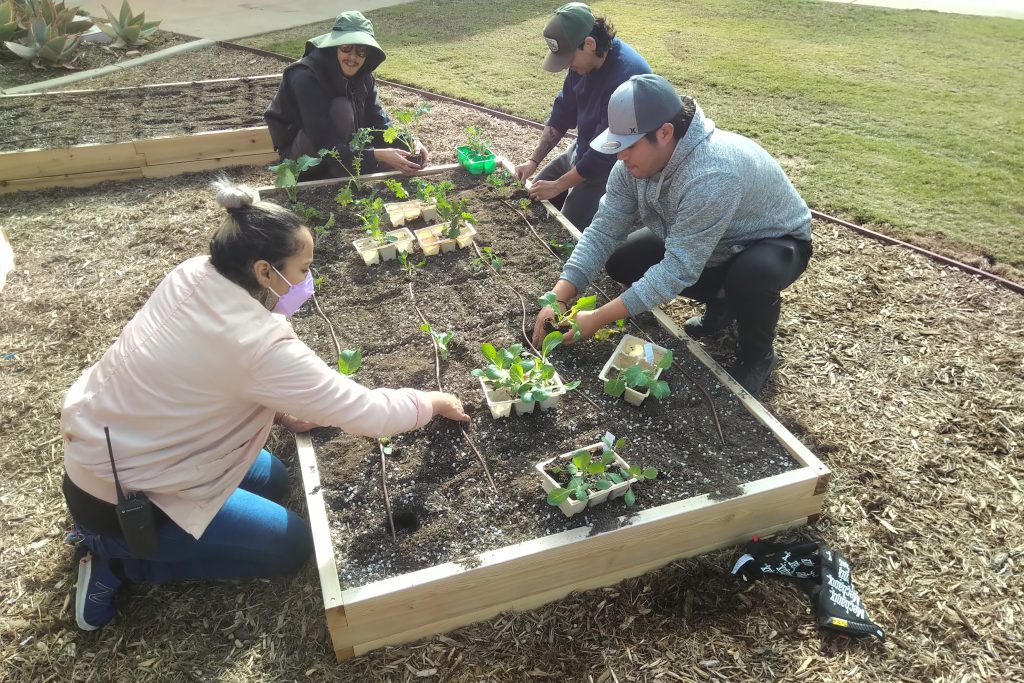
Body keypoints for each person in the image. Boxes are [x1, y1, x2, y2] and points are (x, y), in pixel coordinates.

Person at [61, 180, 470, 631]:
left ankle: (133, 536)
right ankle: (115, 560)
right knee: (291, 547)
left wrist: (276, 405)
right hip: (121, 496)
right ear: (263, 271)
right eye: (302, 269)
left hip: (124, 441)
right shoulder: (257, 344)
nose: (307, 281)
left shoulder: (195, 273)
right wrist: (431, 400)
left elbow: (202, 375)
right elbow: (370, 414)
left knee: (274, 478)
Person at [533, 74, 812, 396]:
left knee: (753, 274)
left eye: (629, 146)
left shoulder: (711, 174)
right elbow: (603, 231)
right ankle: (724, 302)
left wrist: (598, 317)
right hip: (706, 238)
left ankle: (758, 355)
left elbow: (678, 268)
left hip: (773, 241)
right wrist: (558, 297)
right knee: (622, 262)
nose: (620, 156)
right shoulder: (630, 166)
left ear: (665, 133)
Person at [513, 2, 650, 231]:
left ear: (589, 43)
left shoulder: (627, 78)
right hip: (584, 149)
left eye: (569, 58)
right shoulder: (583, 65)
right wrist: (533, 161)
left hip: (613, 166)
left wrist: (558, 185)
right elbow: (563, 110)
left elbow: (605, 154)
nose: (567, 65)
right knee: (532, 196)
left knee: (564, 228)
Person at [265, 11, 428, 178]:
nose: (352, 57)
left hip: (342, 150)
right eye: (346, 48)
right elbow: (324, 143)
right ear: (335, 47)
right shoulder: (305, 77)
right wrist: (376, 155)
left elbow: (378, 122)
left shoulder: (364, 77)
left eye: (360, 51)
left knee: (353, 117)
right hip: (301, 159)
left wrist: (409, 141)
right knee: (341, 109)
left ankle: (347, 167)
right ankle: (337, 173)